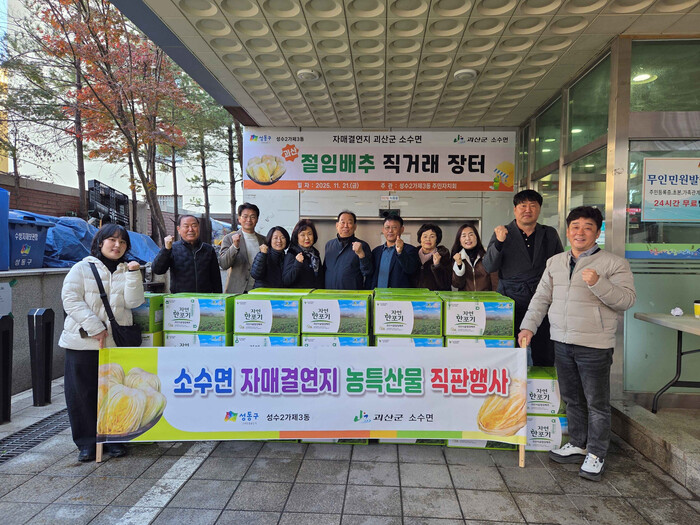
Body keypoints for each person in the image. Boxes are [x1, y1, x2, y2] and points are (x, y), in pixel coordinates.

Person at [518, 206, 635, 482]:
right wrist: (528, 326)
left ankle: (596, 453)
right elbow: (541, 298)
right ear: (568, 230)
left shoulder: (614, 264)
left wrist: (598, 283)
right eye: (575, 227)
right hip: (561, 340)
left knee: (596, 402)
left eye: (587, 227)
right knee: (571, 398)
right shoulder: (555, 262)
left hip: (594, 344)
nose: (580, 232)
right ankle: (578, 443)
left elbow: (627, 300)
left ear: (597, 232)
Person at [59, 224, 145, 462]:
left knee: (114, 392)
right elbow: (70, 299)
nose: (117, 245)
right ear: (100, 242)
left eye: (123, 242)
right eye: (112, 240)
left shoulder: (126, 269)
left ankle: (113, 439)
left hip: (115, 345)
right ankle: (87, 443)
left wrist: (134, 275)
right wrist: (95, 327)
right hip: (83, 343)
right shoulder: (81, 268)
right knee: (82, 393)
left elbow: (134, 302)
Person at [483, 189, 563, 366]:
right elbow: (489, 266)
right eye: (523, 205)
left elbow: (559, 266)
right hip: (510, 303)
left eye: (533, 205)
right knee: (509, 354)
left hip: (542, 302)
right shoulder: (503, 232)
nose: (528, 209)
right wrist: (499, 242)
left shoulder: (549, 233)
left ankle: (542, 383)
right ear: (515, 209)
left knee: (544, 353)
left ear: (539, 209)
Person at [152, 215, 222, 294]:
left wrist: (219, 298)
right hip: (180, 298)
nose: (191, 229)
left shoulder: (208, 249)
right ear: (178, 229)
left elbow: (216, 279)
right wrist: (166, 249)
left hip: (204, 298)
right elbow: (157, 270)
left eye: (194, 226)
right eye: (186, 226)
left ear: (198, 227)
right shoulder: (173, 249)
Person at [218, 203, 266, 293]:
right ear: (239, 219)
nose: (249, 220)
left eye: (252, 217)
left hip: (258, 290)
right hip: (237, 291)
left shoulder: (264, 240)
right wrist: (234, 246)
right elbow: (223, 264)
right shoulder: (229, 238)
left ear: (257, 219)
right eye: (245, 216)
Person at [323, 210, 373, 290]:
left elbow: (367, 272)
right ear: (337, 225)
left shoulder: (362, 245)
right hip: (330, 293)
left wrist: (361, 254)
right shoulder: (329, 245)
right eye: (342, 222)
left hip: (352, 294)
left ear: (355, 226)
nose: (346, 226)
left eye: (349, 223)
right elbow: (324, 270)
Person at [369, 214, 419, 289]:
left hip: (398, 295)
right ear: (383, 230)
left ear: (402, 229)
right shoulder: (376, 251)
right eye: (387, 227)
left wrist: (400, 252)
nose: (390, 231)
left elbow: (410, 270)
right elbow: (370, 276)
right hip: (378, 294)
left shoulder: (410, 250)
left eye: (394, 227)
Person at [451, 222, 498, 292]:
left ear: (476, 237)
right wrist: (459, 265)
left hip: (486, 298)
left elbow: (495, 281)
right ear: (459, 241)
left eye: (471, 235)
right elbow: (457, 284)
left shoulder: (487, 255)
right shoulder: (457, 257)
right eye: (464, 236)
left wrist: (495, 297)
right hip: (466, 298)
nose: (468, 238)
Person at [283, 219, 325, 289]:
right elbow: (286, 280)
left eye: (309, 234)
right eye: (302, 235)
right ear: (297, 237)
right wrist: (297, 263)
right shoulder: (292, 253)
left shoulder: (315, 254)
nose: (307, 238)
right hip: (299, 295)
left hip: (315, 294)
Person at [413, 223, 451, 291]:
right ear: (420, 239)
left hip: (436, 297)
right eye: (425, 236)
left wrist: (437, 266)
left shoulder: (444, 255)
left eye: (432, 236)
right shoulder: (413, 254)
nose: (428, 239)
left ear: (437, 239)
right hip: (415, 296)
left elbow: (446, 284)